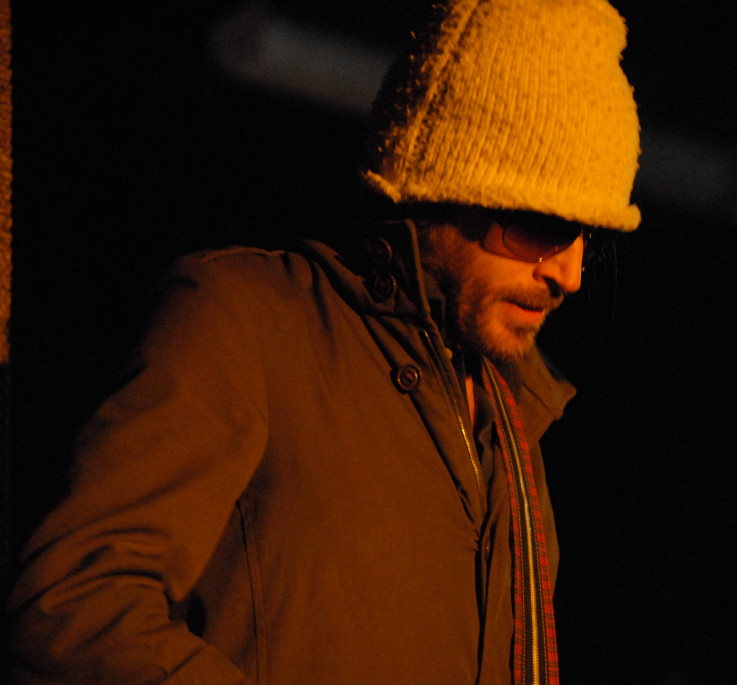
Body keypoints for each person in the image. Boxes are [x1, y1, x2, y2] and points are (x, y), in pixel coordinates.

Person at [3, 0, 641, 682]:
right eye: (544, 226)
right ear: (445, 186)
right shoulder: (244, 318)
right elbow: (72, 610)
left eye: (588, 237)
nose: (570, 274)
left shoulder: (515, 422)